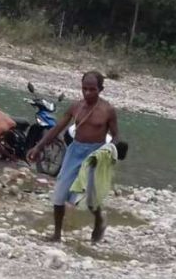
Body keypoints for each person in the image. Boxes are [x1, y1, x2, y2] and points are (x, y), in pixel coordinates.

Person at [27, 71, 120, 243]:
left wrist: (108, 151)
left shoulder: (108, 110)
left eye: (92, 89)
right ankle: (57, 234)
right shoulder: (76, 107)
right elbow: (57, 129)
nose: (87, 93)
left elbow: (116, 136)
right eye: (84, 89)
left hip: (95, 154)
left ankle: (99, 220)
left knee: (91, 197)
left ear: (101, 89)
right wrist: (39, 146)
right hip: (74, 151)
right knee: (60, 192)